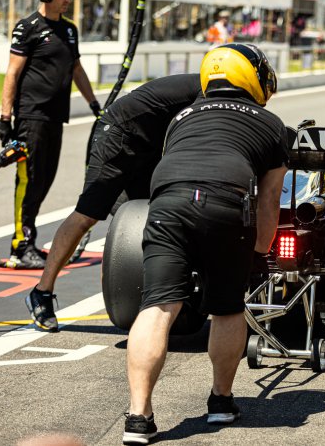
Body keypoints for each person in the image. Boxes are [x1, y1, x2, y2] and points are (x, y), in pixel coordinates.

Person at [123, 43, 288, 444]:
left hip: (167, 203)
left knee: (158, 306)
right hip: (225, 203)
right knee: (228, 308)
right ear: (254, 79)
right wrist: (261, 252)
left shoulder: (180, 116)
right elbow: (269, 199)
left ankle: (138, 416)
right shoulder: (272, 124)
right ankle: (221, 401)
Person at [23, 73, 202, 332]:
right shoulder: (211, 90)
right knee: (87, 215)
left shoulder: (218, 88)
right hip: (119, 134)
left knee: (155, 214)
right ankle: (41, 291)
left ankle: (149, 293)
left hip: (149, 145)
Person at [0, 0, 98, 268]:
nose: (68, 0)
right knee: (29, 181)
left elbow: (76, 69)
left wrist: (94, 104)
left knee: (45, 181)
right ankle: (20, 246)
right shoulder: (27, 27)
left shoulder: (69, 30)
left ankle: (28, 240)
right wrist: (5, 117)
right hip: (31, 117)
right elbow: (13, 72)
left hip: (55, 117)